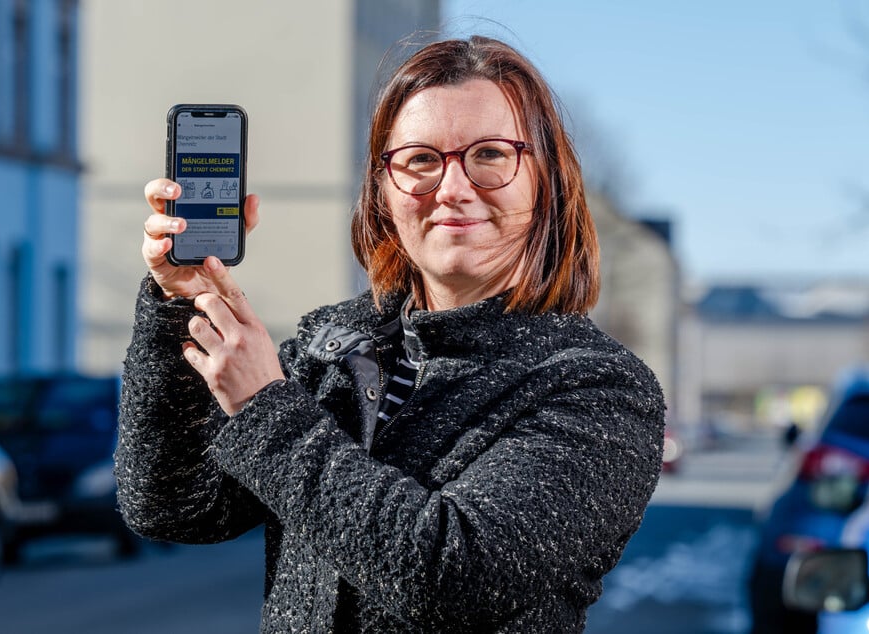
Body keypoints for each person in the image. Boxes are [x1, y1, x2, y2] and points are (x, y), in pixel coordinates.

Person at [116, 35, 666, 633]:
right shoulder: (335, 349)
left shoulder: (599, 389)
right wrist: (180, 300)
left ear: (547, 181)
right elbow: (171, 505)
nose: (452, 189)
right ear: (383, 191)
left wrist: (263, 408)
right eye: (421, 160)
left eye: (488, 154)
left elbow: (453, 575)